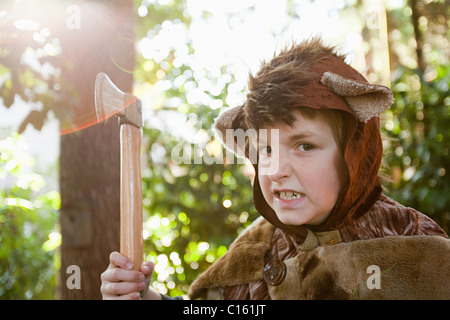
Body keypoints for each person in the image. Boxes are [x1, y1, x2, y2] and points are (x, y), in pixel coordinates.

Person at [100, 38, 449, 300]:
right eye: (265, 150)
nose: (276, 170)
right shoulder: (257, 249)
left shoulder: (413, 241)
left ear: (356, 155)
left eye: (305, 146)